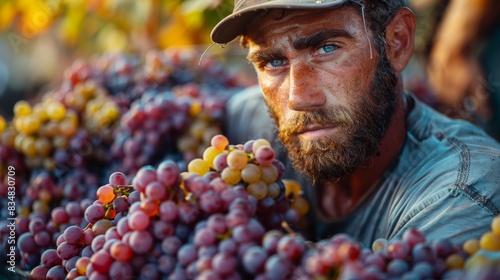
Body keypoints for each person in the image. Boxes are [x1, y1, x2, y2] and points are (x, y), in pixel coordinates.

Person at [213, 0, 500, 247]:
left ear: (397, 42)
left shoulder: (460, 198)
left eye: (327, 49)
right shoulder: (247, 125)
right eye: (274, 63)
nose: (298, 98)